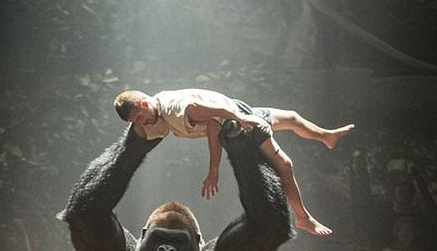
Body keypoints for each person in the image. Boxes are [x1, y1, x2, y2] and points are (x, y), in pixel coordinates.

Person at [114, 88, 354, 236]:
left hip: (239, 123)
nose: (143, 123)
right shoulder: (155, 110)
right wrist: (137, 129)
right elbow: (144, 132)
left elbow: (211, 121)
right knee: (291, 118)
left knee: (284, 164)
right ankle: (326, 136)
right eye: (137, 122)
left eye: (140, 117)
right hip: (236, 109)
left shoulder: (174, 109)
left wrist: (214, 170)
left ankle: (303, 218)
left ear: (144, 104)